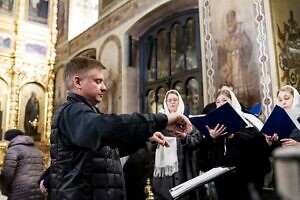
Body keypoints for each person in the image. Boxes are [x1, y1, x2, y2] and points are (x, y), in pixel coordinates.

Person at [49, 57, 193, 200]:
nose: (104, 87)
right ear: (78, 82)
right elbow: (113, 126)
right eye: (98, 81)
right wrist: (164, 119)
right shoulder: (72, 112)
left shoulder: (85, 113)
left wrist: (144, 137)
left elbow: (109, 152)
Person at [201, 88, 270, 200]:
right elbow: (205, 150)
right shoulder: (213, 125)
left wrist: (234, 136)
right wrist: (212, 137)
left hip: (243, 175)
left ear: (232, 102)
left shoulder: (247, 118)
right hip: (221, 177)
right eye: (218, 102)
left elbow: (257, 140)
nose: (220, 104)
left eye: (224, 100)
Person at [152, 90, 203, 200]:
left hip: (184, 169)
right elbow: (149, 146)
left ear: (179, 102)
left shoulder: (186, 121)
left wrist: (184, 137)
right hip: (164, 175)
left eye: (175, 100)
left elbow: (197, 140)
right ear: (166, 103)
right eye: (169, 100)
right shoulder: (159, 123)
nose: (172, 102)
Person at [218, 10, 252, 107]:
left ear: (236, 20)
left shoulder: (242, 35)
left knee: (243, 93)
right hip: (229, 70)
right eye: (228, 21)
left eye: (231, 20)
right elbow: (221, 57)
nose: (230, 23)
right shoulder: (225, 40)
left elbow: (248, 48)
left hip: (240, 71)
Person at [0, 129, 44, 200]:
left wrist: (4, 189)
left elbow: (7, 173)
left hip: (20, 189)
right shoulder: (36, 149)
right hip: (37, 188)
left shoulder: (13, 150)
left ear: (10, 139)